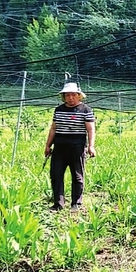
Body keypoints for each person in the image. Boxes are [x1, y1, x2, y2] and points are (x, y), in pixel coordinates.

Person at [44, 82, 96, 211]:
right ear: (64, 96)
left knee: (77, 176)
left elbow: (91, 130)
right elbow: (53, 128)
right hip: (60, 146)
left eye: (73, 95)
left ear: (79, 96)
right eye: (67, 95)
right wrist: (48, 145)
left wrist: (91, 146)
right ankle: (58, 204)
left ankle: (76, 204)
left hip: (77, 147)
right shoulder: (59, 110)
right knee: (56, 175)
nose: (70, 98)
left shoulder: (85, 110)